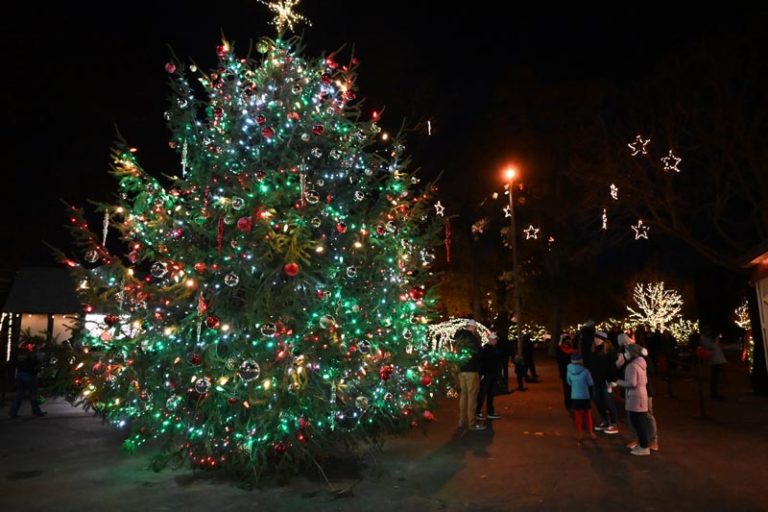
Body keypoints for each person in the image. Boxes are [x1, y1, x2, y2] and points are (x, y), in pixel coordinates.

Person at [615, 343, 651, 456]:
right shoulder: (641, 364)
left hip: (635, 397)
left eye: (627, 352)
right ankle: (643, 445)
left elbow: (632, 383)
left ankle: (644, 446)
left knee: (638, 423)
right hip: (641, 395)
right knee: (641, 422)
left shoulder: (632, 366)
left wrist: (617, 382)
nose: (625, 354)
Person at [455, 320, 485, 430]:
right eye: (475, 328)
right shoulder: (472, 338)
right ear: (471, 327)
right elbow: (477, 353)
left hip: (462, 369)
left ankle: (462, 420)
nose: (475, 329)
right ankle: (472, 423)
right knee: (472, 396)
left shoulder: (459, 337)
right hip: (472, 369)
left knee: (464, 395)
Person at [9, 340, 47, 418]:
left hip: (20, 374)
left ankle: (13, 412)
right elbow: (37, 363)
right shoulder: (32, 353)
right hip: (30, 374)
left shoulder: (20, 352)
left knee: (20, 394)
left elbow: (13, 362)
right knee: (34, 394)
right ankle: (36, 411)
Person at [591, 331, 619, 434]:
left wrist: (611, 380)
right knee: (597, 400)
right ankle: (605, 420)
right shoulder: (594, 350)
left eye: (598, 338)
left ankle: (613, 423)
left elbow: (613, 367)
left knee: (609, 402)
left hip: (606, 381)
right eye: (595, 338)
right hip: (596, 380)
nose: (596, 340)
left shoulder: (610, 351)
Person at [566, 352, 596, 442]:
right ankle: (591, 432)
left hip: (575, 396)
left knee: (577, 416)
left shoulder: (569, 370)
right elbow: (591, 383)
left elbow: (569, 382)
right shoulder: (585, 371)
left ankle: (580, 433)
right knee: (588, 415)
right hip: (585, 395)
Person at [476, 333, 502, 420]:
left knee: (490, 394)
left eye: (495, 339)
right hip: (487, 374)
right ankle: (478, 411)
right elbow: (482, 363)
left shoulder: (495, 349)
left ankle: (490, 412)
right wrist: (482, 374)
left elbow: (497, 363)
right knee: (482, 394)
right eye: (493, 339)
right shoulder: (485, 349)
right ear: (489, 340)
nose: (494, 341)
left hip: (492, 374)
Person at [699, 326, 727, 400]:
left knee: (716, 377)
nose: (709, 332)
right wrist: (716, 340)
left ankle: (715, 393)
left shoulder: (707, 338)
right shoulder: (704, 339)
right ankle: (714, 394)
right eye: (708, 330)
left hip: (716, 360)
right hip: (715, 360)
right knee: (715, 378)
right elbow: (712, 346)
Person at [557, 334, 575, 412]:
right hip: (572, 372)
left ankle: (568, 404)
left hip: (564, 373)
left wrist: (561, 338)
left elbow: (559, 347)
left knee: (567, 389)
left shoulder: (561, 351)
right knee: (572, 389)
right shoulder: (572, 351)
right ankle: (572, 404)